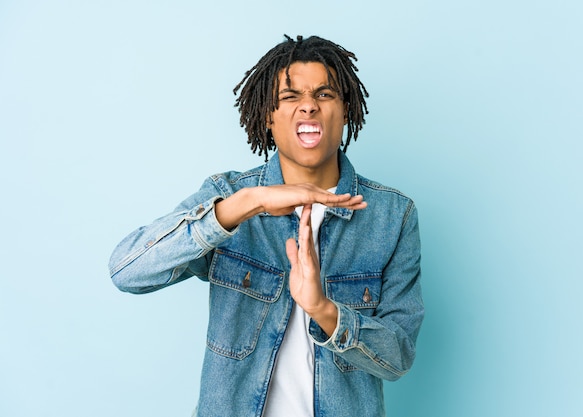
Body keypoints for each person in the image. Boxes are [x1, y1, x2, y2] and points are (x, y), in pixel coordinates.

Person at [109, 34, 424, 417]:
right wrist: (246, 204)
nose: (308, 106)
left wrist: (324, 309)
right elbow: (128, 271)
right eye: (291, 97)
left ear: (345, 111)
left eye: (324, 95)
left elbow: (398, 357)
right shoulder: (229, 198)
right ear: (267, 115)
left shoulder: (392, 216)